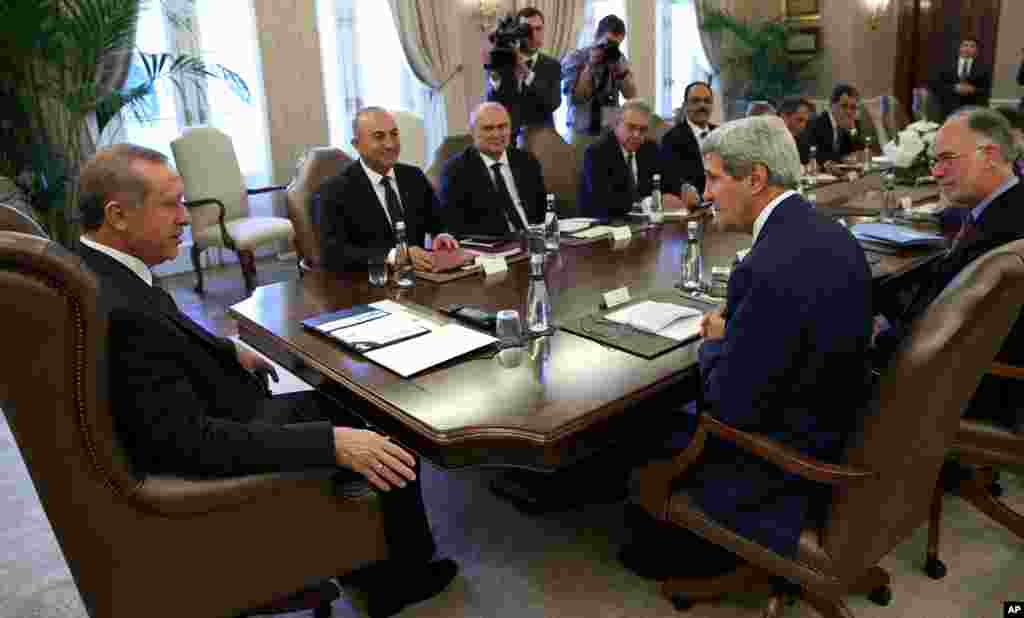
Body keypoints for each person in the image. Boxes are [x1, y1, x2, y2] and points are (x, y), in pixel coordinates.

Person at [76, 144, 458, 617]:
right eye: (171, 204)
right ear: (117, 215)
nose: (184, 218)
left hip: (228, 403)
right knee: (383, 430)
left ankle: (369, 560)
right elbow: (184, 442)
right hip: (233, 439)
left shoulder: (104, 272)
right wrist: (331, 444)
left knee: (349, 403)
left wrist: (224, 348)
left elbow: (164, 342)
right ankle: (402, 579)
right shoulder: (121, 309)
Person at [620, 116, 873, 579]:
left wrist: (717, 343)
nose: (707, 191)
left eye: (714, 177)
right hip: (840, 425)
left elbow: (729, 406)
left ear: (755, 178)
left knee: (641, 425)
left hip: (782, 464)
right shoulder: (836, 234)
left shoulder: (766, 265)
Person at [874, 107, 1024, 433]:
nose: (938, 172)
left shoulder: (1004, 229)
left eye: (947, 159)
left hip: (962, 387)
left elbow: (942, 323)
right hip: (974, 370)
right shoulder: (1004, 208)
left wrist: (876, 337)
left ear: (990, 155)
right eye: (934, 161)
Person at [318, 107, 459, 273]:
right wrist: (393, 256)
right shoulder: (335, 190)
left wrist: (442, 235)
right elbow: (333, 254)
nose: (390, 144)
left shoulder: (413, 176)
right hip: (370, 286)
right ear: (356, 145)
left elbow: (438, 221)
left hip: (422, 280)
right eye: (379, 137)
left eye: (394, 134)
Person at [439, 102, 548, 236]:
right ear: (472, 132)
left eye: (502, 127)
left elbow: (543, 210)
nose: (497, 134)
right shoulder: (455, 171)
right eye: (488, 128)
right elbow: (454, 227)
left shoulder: (526, 161)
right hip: (492, 248)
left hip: (535, 240)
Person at [579, 99, 685, 220]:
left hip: (641, 226)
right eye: (631, 127)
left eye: (643, 130)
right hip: (605, 226)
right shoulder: (597, 152)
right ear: (616, 124)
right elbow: (604, 201)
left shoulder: (649, 149)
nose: (636, 135)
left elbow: (669, 179)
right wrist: (649, 202)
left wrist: (683, 189)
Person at [561, 14, 637, 152]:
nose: (611, 48)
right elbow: (578, 97)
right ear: (597, 36)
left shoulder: (618, 59)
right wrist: (590, 65)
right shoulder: (575, 58)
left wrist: (621, 72)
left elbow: (631, 94)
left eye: (617, 44)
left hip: (610, 133)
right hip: (581, 134)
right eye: (608, 42)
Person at [484, 6, 562, 141]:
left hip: (542, 141)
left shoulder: (552, 65)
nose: (533, 35)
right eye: (527, 30)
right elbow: (494, 104)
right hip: (508, 141)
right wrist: (493, 74)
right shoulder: (503, 63)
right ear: (516, 32)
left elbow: (553, 103)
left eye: (538, 29)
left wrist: (526, 72)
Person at [659, 82, 718, 209]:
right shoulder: (672, 138)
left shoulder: (720, 134)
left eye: (707, 101)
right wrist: (685, 188)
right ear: (685, 105)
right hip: (692, 207)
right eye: (696, 101)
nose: (702, 105)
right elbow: (670, 178)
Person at [800, 83, 865, 166]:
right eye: (844, 106)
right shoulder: (816, 123)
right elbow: (813, 154)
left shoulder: (854, 124)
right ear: (831, 105)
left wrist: (852, 130)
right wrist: (841, 158)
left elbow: (861, 152)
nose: (849, 112)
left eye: (853, 108)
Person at [932, 37, 992, 118]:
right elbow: (936, 85)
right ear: (960, 48)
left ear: (977, 51)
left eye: (972, 46)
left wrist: (973, 89)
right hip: (948, 108)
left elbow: (986, 90)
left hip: (972, 109)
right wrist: (954, 87)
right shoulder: (945, 64)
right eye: (965, 45)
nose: (967, 48)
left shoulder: (984, 67)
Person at [778, 96, 814, 164]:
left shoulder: (802, 140)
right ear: (784, 116)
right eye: (800, 120)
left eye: (806, 121)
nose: (803, 125)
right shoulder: (769, 141)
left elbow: (806, 164)